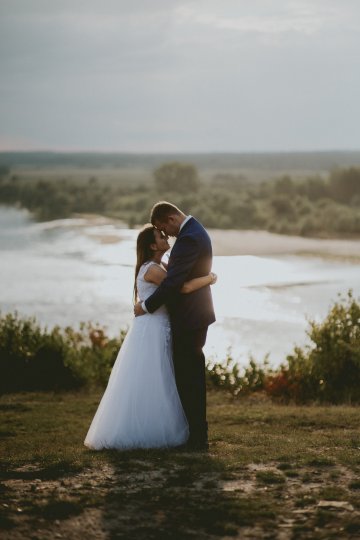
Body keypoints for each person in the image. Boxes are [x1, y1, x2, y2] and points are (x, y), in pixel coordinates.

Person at [84, 224, 216, 450]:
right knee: (152, 377)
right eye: (160, 236)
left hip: (159, 325)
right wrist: (210, 278)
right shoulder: (153, 270)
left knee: (159, 378)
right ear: (153, 245)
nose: (166, 237)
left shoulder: (159, 266)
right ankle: (146, 430)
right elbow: (181, 287)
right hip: (153, 327)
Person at [134, 201, 216, 451]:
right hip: (192, 316)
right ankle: (194, 434)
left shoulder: (190, 238)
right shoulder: (194, 231)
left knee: (188, 378)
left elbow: (174, 285)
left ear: (170, 218)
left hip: (190, 317)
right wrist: (210, 278)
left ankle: (197, 437)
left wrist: (145, 307)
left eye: (163, 229)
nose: (166, 234)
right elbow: (178, 279)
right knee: (185, 377)